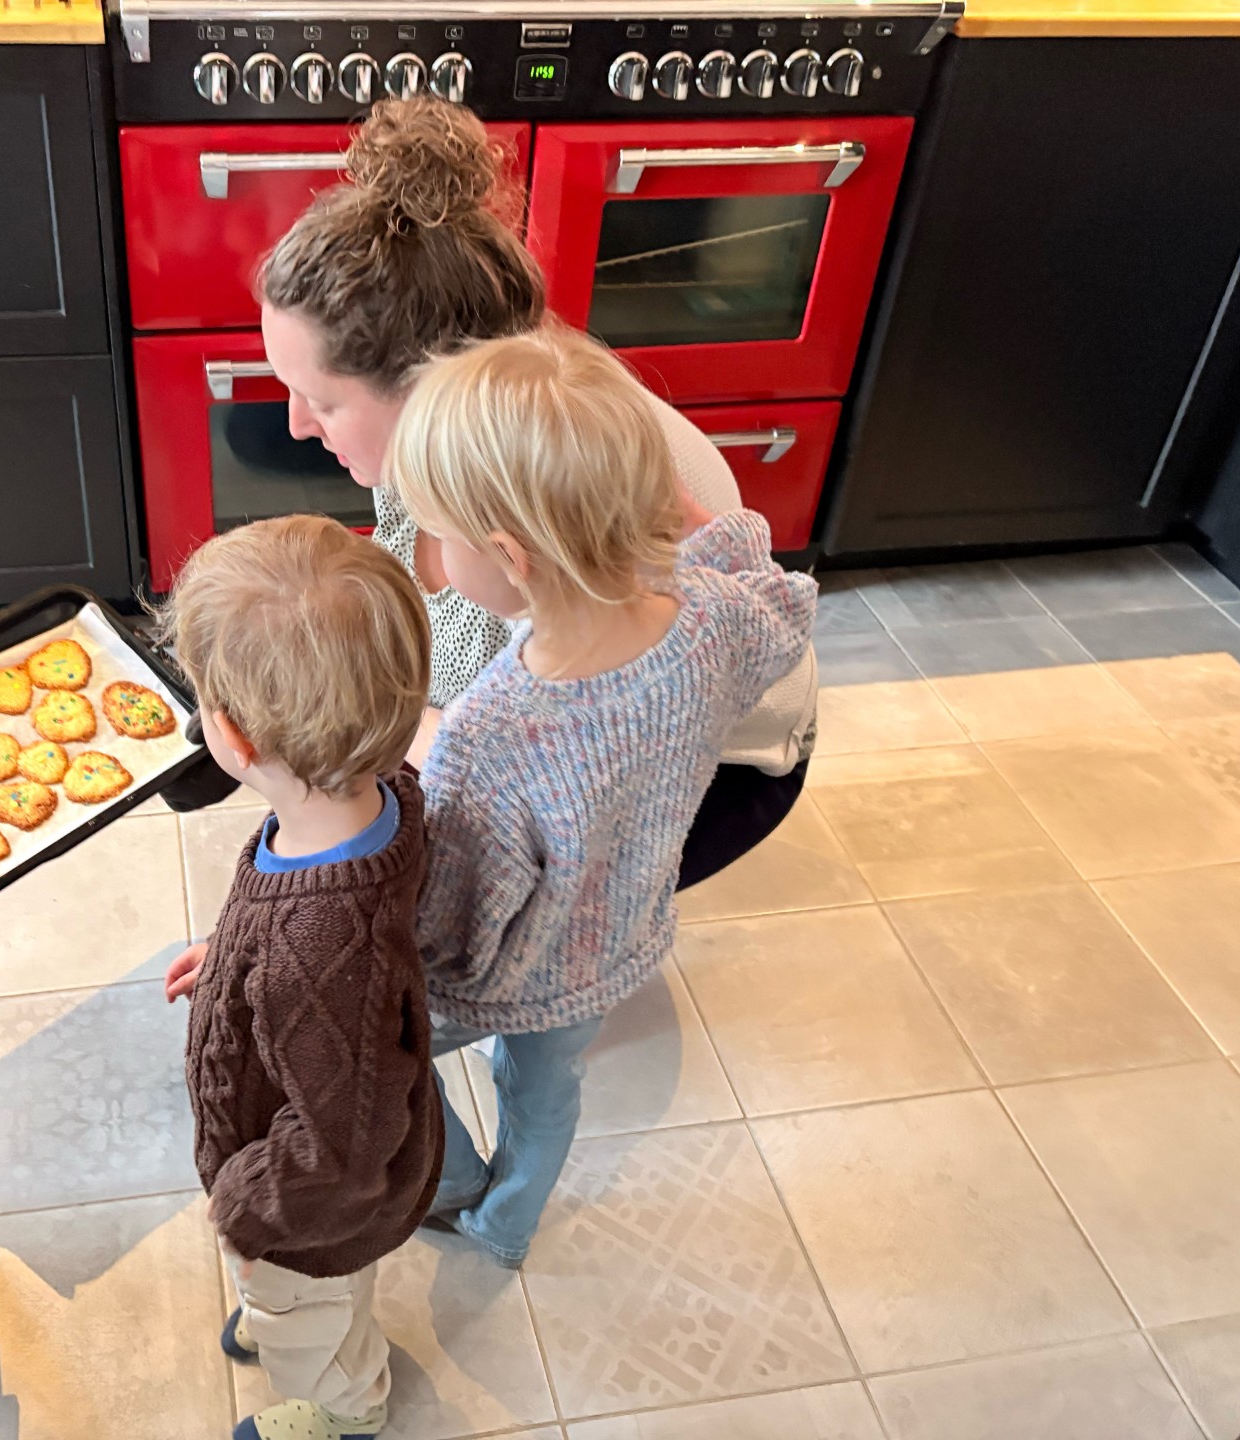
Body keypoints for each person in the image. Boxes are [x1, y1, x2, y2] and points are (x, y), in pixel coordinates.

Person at [168, 94, 817, 896]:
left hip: (702, 765)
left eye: (324, 401)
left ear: (427, 385)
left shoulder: (555, 496)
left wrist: (320, 725)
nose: (299, 425)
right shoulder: (467, 408)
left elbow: (520, 770)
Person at [389, 326, 818, 1267]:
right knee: (547, 1094)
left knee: (382, 1055)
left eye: (437, 533)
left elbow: (457, 916)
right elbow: (784, 599)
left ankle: (456, 1185)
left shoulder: (491, 732)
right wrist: (698, 515)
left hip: (518, 972)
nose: (430, 553)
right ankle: (509, 1228)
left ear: (509, 555)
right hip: (622, 944)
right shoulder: (710, 620)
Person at [158, 515, 443, 1440]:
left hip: (309, 1212)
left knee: (309, 1323)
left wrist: (248, 1210)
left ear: (232, 738)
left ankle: (343, 1407)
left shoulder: (320, 945)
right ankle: (303, 1321)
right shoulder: (383, 793)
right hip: (315, 1151)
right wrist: (236, 955)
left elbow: (345, 1144)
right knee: (304, 1302)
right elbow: (317, 944)